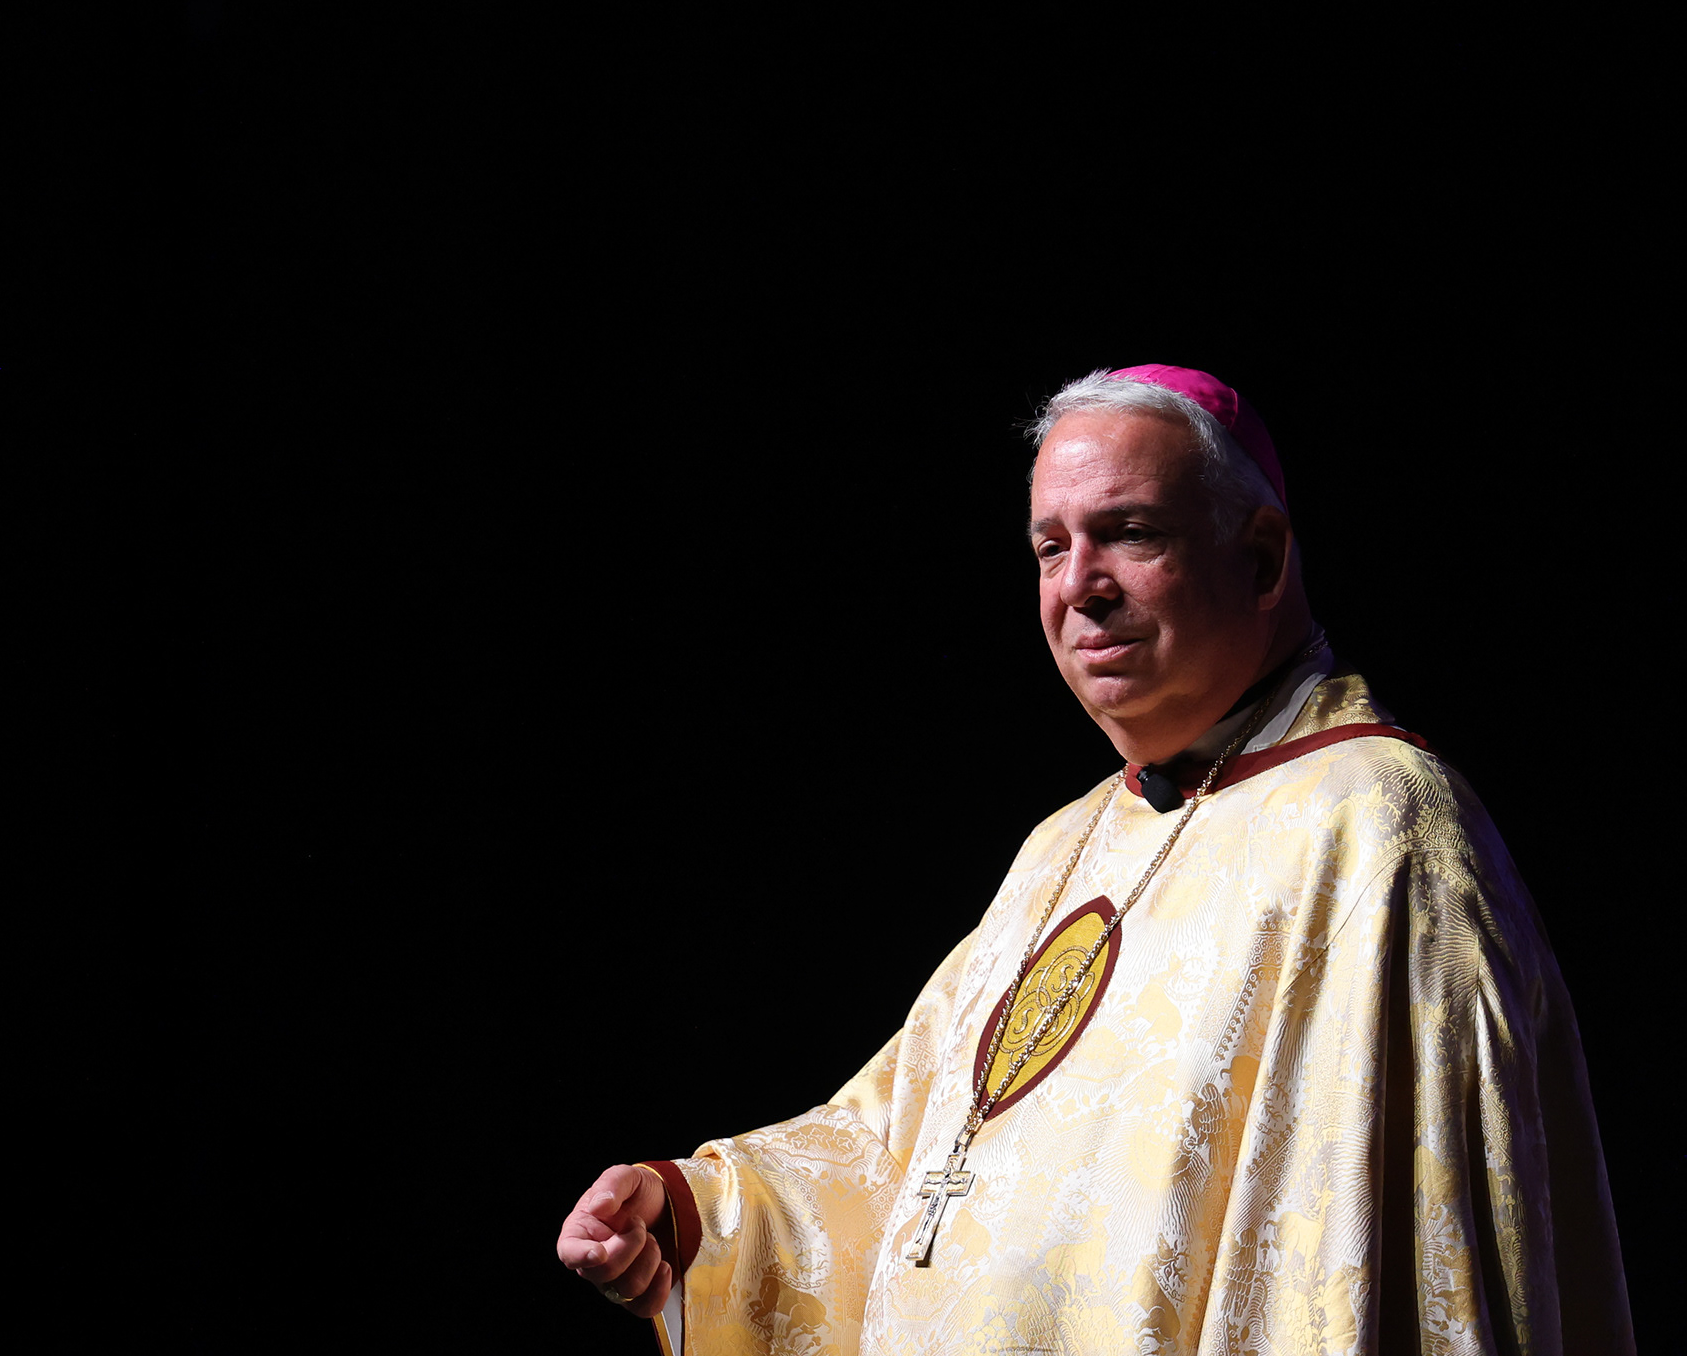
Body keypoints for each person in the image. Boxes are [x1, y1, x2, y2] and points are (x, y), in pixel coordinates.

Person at [553, 365, 1630, 1354]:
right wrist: (692, 1211)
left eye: (1129, 532)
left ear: (1261, 557)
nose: (1080, 585)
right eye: (1050, 547)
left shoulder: (1375, 829)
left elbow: (1390, 1273)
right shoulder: (1068, 843)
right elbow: (901, 1146)